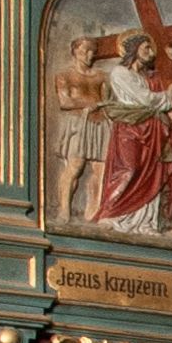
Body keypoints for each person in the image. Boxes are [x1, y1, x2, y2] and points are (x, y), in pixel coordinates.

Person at [90, 41, 172, 236]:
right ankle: (111, 214)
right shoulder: (120, 73)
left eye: (151, 48)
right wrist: (168, 95)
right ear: (133, 49)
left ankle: (145, 222)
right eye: (146, 47)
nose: (150, 52)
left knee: (152, 172)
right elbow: (145, 99)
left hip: (152, 128)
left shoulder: (146, 76)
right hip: (130, 125)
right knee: (128, 168)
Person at [47, 28, 110, 229]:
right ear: (75, 51)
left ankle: (94, 211)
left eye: (92, 52)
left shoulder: (101, 76)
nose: (89, 55)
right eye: (85, 51)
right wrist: (88, 103)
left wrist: (101, 107)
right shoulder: (65, 75)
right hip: (78, 122)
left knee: (101, 169)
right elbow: (65, 102)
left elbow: (107, 101)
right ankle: (64, 209)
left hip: (99, 123)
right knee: (75, 165)